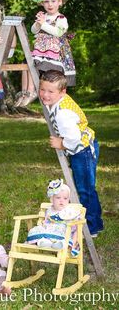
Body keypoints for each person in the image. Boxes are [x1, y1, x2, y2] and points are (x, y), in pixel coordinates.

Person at [39, 70, 104, 237]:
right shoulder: (56, 100)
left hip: (82, 150)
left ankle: (91, 226)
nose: (45, 95)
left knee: (84, 189)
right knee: (86, 187)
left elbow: (74, 138)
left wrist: (62, 143)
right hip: (80, 148)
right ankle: (96, 222)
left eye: (50, 91)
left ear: (63, 92)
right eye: (42, 89)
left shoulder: (63, 113)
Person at [31, 0, 76, 86]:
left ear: (60, 2)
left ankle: (54, 94)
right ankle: (30, 91)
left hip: (56, 53)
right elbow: (33, 31)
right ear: (42, 2)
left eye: (53, 1)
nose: (50, 4)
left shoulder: (61, 18)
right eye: (46, 1)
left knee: (53, 77)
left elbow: (58, 32)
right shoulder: (43, 16)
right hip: (41, 51)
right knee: (31, 66)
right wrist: (38, 23)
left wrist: (43, 24)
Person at [26, 179, 81, 256]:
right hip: (49, 231)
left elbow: (76, 229)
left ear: (68, 200)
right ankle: (43, 242)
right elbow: (46, 222)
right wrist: (44, 224)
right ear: (52, 199)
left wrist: (74, 241)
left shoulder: (70, 212)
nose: (62, 201)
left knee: (65, 238)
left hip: (63, 232)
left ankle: (60, 244)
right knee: (39, 230)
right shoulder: (49, 210)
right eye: (58, 198)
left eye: (65, 198)